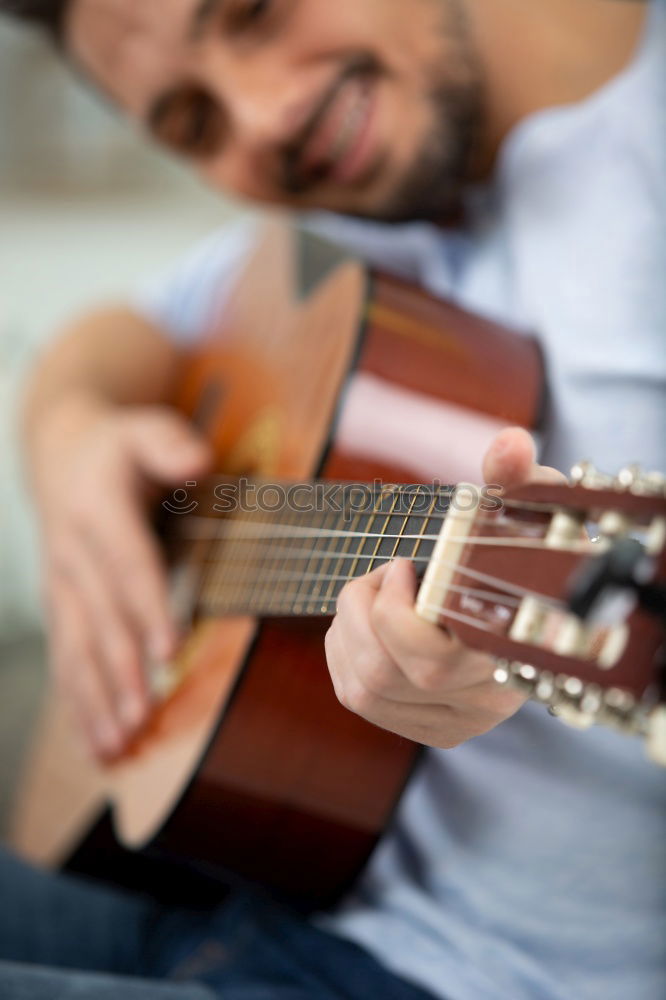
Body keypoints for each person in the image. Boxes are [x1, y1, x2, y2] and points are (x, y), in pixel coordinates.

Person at [0, 1, 664, 998]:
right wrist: (68, 435)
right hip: (226, 875)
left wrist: (476, 662)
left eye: (253, 11)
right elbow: (127, 324)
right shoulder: (367, 206)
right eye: (191, 123)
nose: (262, 117)